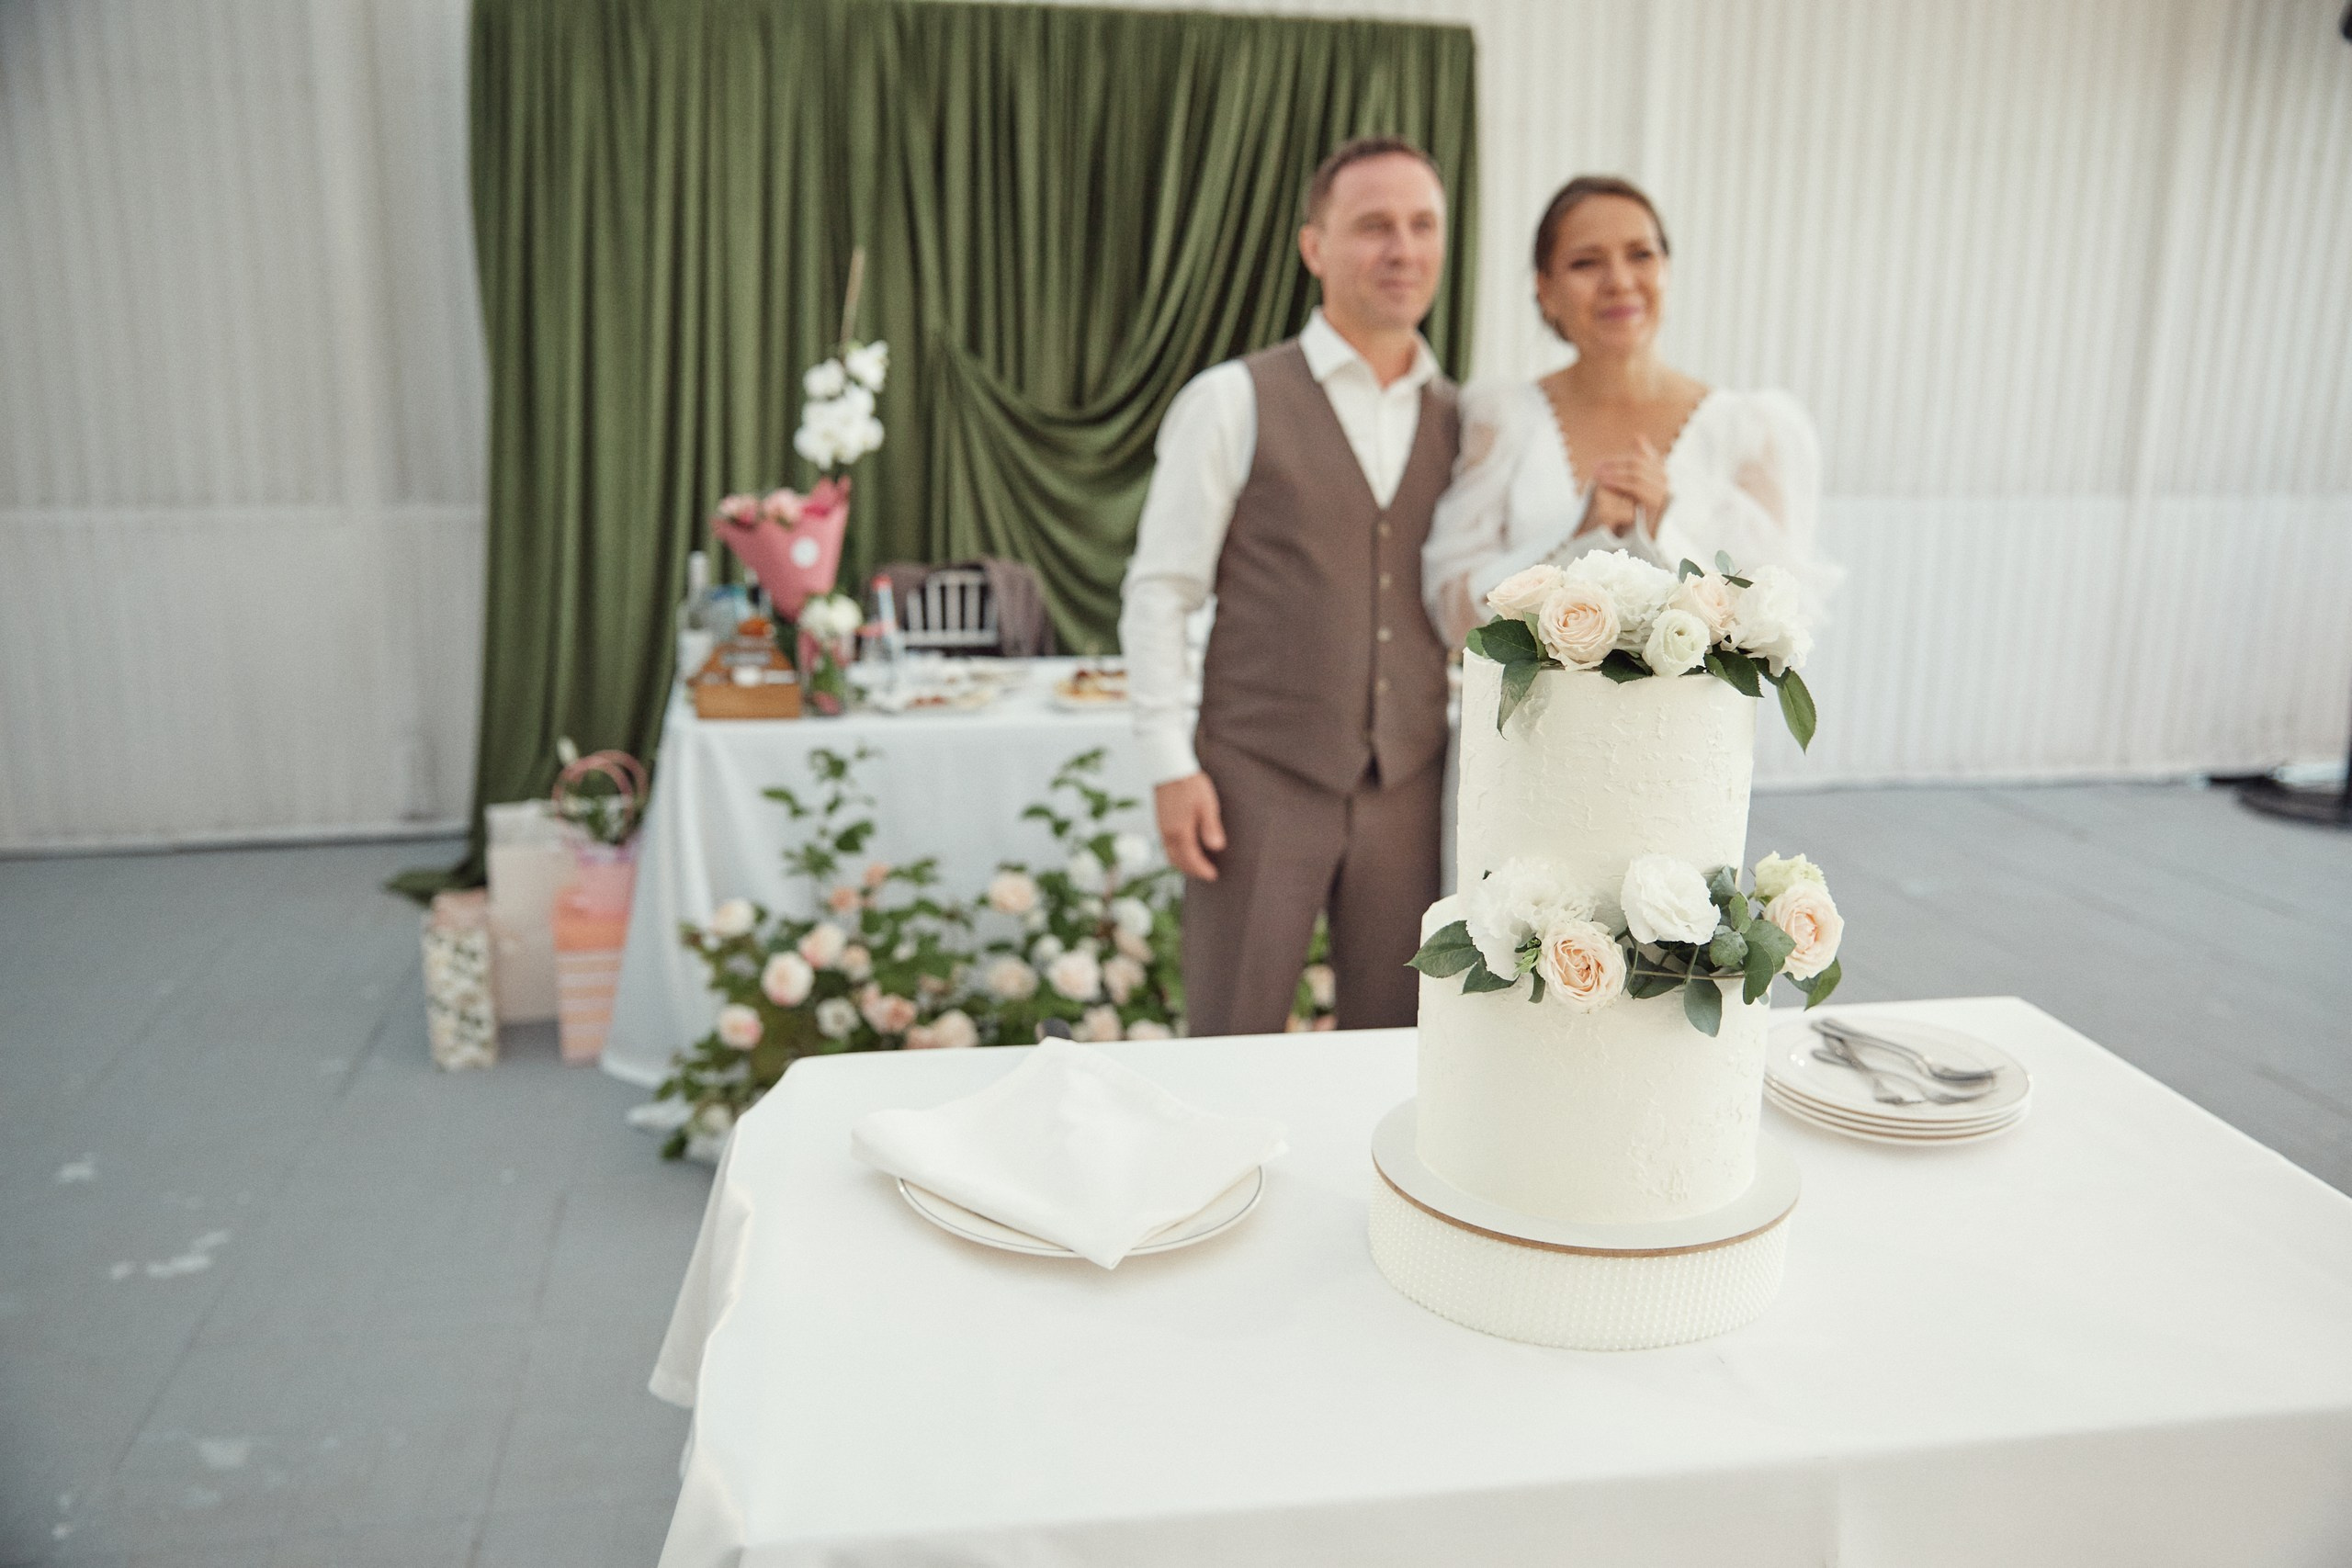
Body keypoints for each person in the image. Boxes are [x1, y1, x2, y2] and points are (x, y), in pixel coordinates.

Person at [1119, 136, 1459, 1037]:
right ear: (1314, 247)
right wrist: (1169, 765)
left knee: (1395, 1045)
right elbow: (1161, 590)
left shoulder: (1463, 420)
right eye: (1372, 226)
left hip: (1410, 785)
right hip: (1254, 783)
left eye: (1422, 225)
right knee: (1230, 1035)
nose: (1403, 249)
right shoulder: (1231, 400)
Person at [1422, 175, 1831, 648]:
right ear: (1545, 289)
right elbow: (1455, 620)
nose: (1618, 281)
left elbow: (1774, 632)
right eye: (1585, 262)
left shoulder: (1750, 432)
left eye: (1641, 255)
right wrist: (1576, 535)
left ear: (1667, 270)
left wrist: (1662, 535)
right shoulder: (1501, 419)